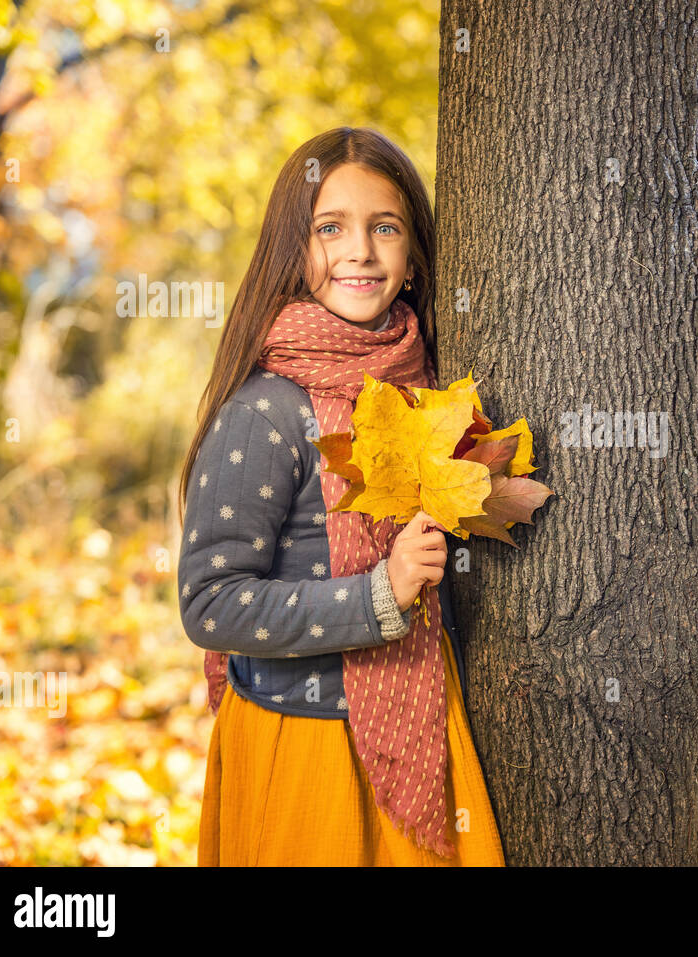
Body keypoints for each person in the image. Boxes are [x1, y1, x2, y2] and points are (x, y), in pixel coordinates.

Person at [176, 126, 504, 866]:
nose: (360, 250)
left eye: (384, 227)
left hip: (423, 719)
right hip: (308, 744)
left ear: (415, 253)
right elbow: (210, 603)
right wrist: (377, 595)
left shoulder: (425, 389)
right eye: (331, 228)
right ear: (293, 248)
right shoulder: (265, 411)